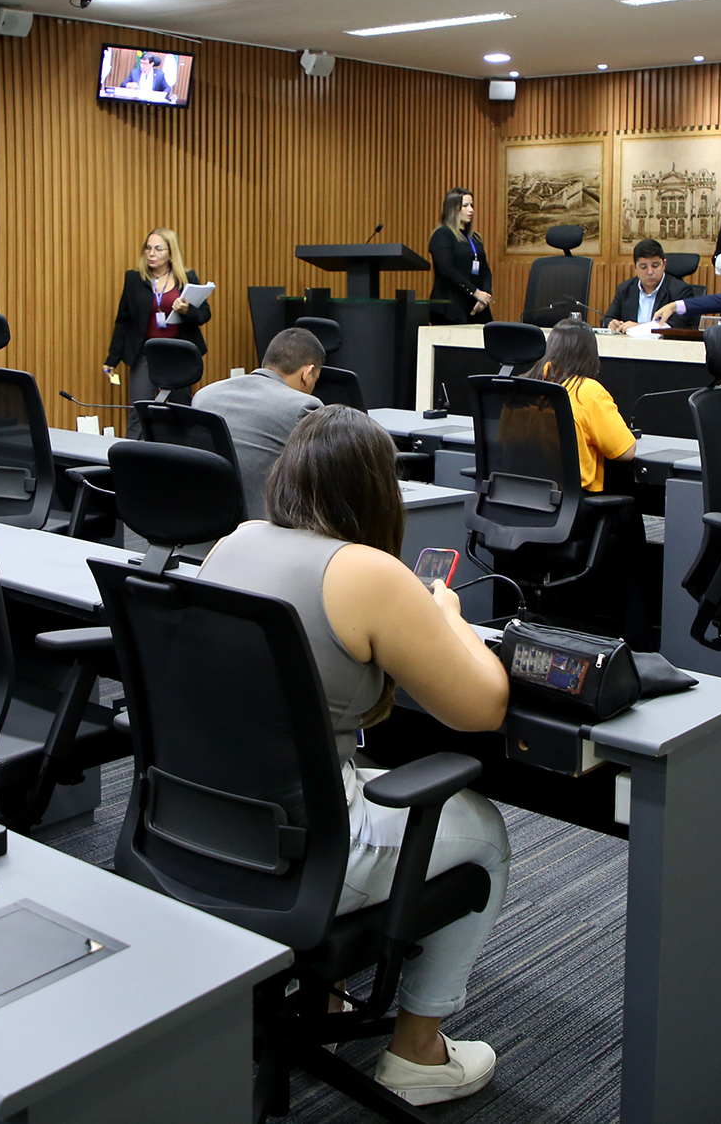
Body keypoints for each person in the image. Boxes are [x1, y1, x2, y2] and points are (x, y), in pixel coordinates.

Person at [197, 406, 511, 1105]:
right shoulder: (367, 571)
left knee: (341, 770)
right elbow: (482, 707)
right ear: (376, 492)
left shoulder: (233, 543)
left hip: (207, 827)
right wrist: (450, 619)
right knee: (484, 829)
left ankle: (323, 997)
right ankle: (418, 1055)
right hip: (304, 849)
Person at [190, 326, 325, 521]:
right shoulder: (303, 406)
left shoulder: (204, 396)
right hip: (264, 524)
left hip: (203, 518)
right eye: (315, 379)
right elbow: (322, 479)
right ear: (307, 373)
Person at [103, 227, 210, 438]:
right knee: (139, 408)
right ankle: (133, 453)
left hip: (178, 353)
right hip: (146, 352)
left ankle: (181, 452)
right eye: (148, 248)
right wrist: (112, 359)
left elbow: (204, 315)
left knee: (181, 409)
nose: (151, 253)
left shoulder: (186, 278)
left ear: (170, 253)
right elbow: (124, 320)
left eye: (158, 249)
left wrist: (187, 311)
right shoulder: (134, 279)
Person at [529, 318, 637, 491]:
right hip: (570, 500)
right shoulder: (587, 391)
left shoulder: (521, 387)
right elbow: (626, 452)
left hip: (517, 496)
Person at [606, 238, 701, 332]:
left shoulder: (681, 291)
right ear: (635, 268)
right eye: (643, 267)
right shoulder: (625, 289)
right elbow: (607, 318)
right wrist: (611, 323)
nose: (650, 272)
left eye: (655, 266)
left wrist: (639, 328)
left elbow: (677, 326)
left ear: (664, 264)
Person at [428, 187, 493, 324]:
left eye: (472, 205)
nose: (471, 210)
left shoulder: (475, 237)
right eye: (465, 206)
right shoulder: (442, 234)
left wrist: (485, 296)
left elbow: (485, 270)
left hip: (476, 306)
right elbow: (446, 269)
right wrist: (475, 292)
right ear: (453, 208)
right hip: (450, 308)